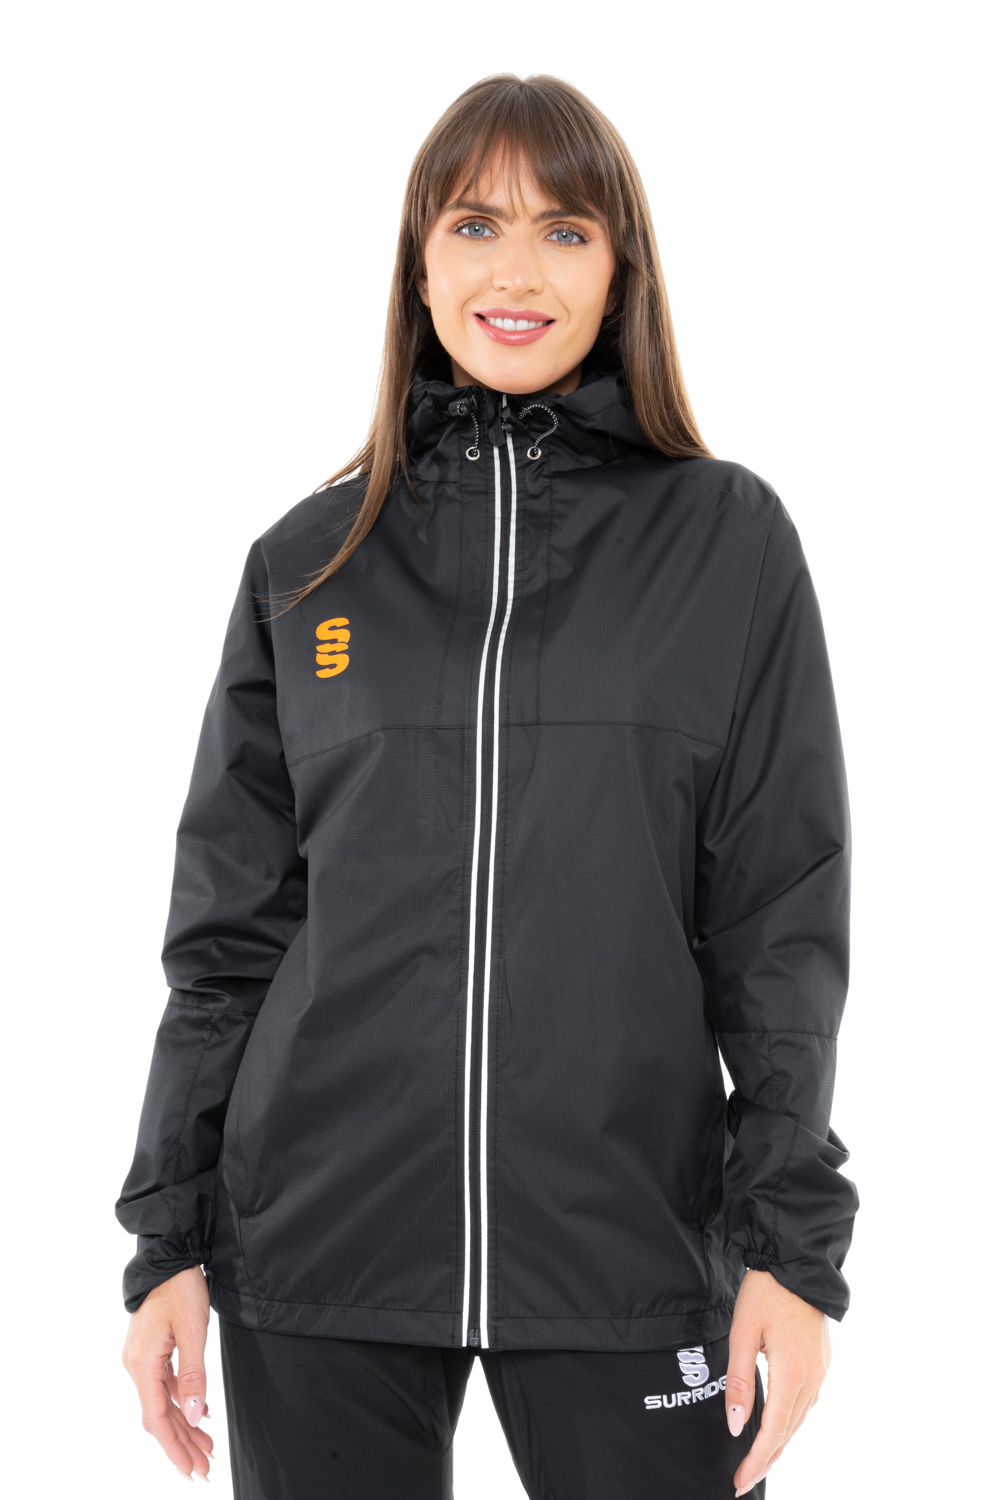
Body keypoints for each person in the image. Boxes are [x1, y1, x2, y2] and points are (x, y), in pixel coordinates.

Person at [117, 73, 858, 1500]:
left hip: (629, 1238)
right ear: (420, 264)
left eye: (565, 231)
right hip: (317, 1246)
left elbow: (781, 921)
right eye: (474, 224)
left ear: (620, 271)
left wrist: (791, 1248)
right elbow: (228, 941)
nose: (516, 272)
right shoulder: (308, 562)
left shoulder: (729, 542)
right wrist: (167, 1244)